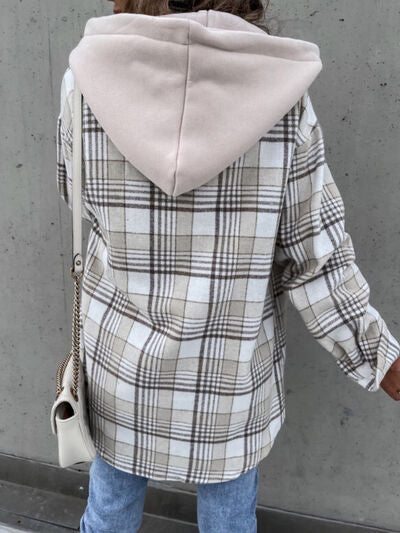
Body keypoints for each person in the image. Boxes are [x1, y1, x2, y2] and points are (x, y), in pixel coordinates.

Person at [55, 1, 400, 531]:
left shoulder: (84, 84)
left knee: (108, 516)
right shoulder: (281, 98)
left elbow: (76, 199)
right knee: (230, 522)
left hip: (119, 372)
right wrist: (379, 356)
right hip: (230, 380)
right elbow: (316, 256)